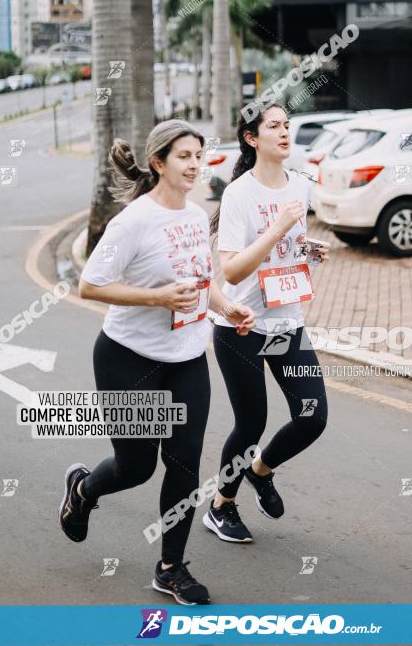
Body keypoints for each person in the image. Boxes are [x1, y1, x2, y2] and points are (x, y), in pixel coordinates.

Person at [58, 120, 255, 605]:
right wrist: (156, 298)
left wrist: (227, 306)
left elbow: (201, 281)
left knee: (185, 465)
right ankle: (83, 490)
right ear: (158, 163)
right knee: (137, 466)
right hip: (129, 360)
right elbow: (90, 285)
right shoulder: (133, 221)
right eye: (185, 156)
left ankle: (171, 567)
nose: (196, 164)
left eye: (200, 154)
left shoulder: (193, 216)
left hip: (187, 358)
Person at [204, 104, 329, 544]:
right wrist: (277, 229)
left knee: (313, 417)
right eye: (273, 126)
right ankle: (221, 505)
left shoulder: (300, 184)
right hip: (241, 328)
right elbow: (233, 272)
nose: (284, 131)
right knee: (250, 424)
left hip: (287, 322)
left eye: (287, 124)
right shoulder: (239, 194)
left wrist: (307, 248)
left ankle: (260, 471)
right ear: (252, 138)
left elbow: (288, 246)